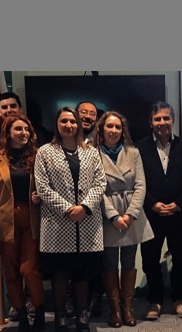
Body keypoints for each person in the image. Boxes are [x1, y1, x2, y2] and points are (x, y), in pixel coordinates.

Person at [34, 107, 106, 332]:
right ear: (57, 124)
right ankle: (60, 318)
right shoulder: (45, 152)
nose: (69, 125)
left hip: (86, 222)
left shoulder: (91, 152)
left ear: (78, 125)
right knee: (60, 274)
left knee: (82, 275)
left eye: (72, 121)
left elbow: (100, 183)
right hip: (58, 224)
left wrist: (84, 207)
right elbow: (42, 187)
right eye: (64, 121)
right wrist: (67, 209)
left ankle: (82, 318)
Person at [0, 114, 45, 332]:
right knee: (10, 272)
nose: (24, 133)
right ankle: (22, 316)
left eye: (27, 129)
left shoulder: (39, 155)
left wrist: (41, 196)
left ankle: (38, 312)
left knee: (29, 269)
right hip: (5, 220)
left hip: (32, 218)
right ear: (8, 133)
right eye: (19, 129)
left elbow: (49, 185)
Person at [93, 111, 154, 328]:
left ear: (122, 130)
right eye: (109, 126)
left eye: (117, 127)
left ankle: (128, 310)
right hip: (107, 216)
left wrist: (129, 215)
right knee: (109, 264)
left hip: (131, 215)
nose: (113, 131)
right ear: (101, 129)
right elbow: (95, 190)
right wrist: (113, 216)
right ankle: (115, 311)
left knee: (129, 263)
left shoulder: (133, 153)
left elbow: (141, 186)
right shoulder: (93, 154)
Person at [136, 101, 182, 321]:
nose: (162, 122)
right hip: (151, 213)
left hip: (179, 213)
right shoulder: (139, 148)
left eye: (166, 118)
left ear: (173, 120)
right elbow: (137, 182)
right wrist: (152, 203)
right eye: (157, 119)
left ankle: (180, 299)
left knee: (180, 258)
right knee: (150, 259)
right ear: (151, 123)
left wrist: (178, 203)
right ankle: (155, 300)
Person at [74, 100, 104, 318]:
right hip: (68, 213)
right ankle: (73, 302)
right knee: (70, 262)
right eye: (83, 112)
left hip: (96, 210)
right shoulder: (62, 141)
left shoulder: (101, 143)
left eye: (92, 114)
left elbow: (101, 181)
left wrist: (87, 205)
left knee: (95, 261)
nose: (87, 117)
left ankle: (94, 300)